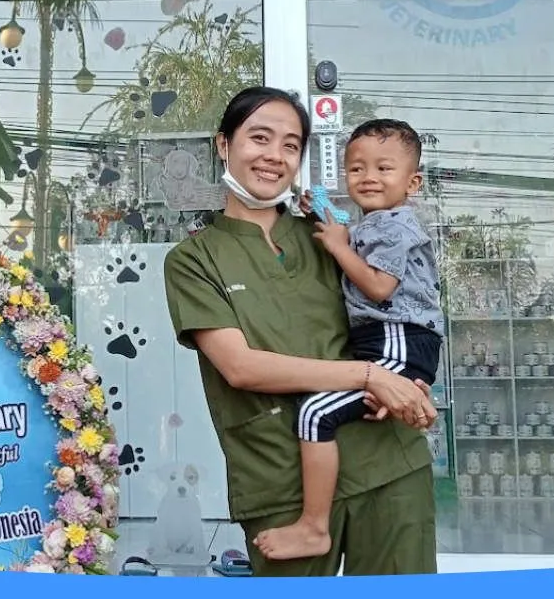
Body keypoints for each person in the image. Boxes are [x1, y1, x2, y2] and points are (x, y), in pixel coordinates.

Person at [163, 87, 439, 577]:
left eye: (291, 145)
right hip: (280, 479)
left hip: (387, 462)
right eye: (259, 138)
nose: (274, 156)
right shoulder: (194, 260)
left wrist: (410, 382)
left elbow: (401, 313)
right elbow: (241, 368)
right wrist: (371, 377)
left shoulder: (331, 240)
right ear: (223, 144)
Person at [251, 118, 444, 561]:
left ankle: (313, 527)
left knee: (316, 413)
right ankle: (316, 524)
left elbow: (379, 287)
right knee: (344, 408)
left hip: (397, 337)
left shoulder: (395, 225)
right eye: (356, 169)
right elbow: (341, 225)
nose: (368, 178)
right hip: (387, 344)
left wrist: (338, 247)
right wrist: (316, 211)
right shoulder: (373, 224)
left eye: (383, 169)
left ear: (412, 181)